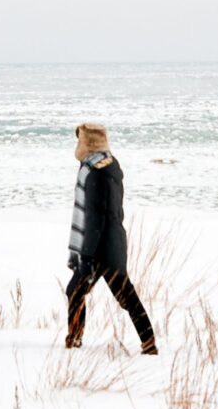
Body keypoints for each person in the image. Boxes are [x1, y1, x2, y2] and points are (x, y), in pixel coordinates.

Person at [64, 122, 157, 353]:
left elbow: (95, 218)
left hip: (100, 247)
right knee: (120, 295)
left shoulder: (95, 173)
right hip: (112, 241)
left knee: (82, 292)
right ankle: (149, 343)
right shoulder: (110, 165)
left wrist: (86, 256)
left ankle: (75, 340)